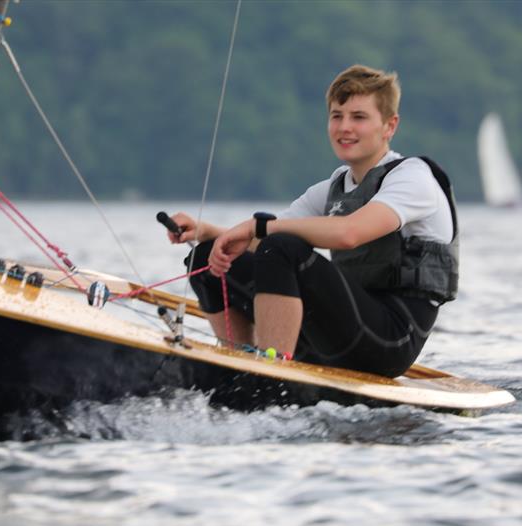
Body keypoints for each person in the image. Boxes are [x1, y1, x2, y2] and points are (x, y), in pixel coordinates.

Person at [167, 64, 458, 378]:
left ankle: (269, 377)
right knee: (209, 256)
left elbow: (349, 233)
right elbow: (262, 236)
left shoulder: (413, 177)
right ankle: (237, 363)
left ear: (389, 126)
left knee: (281, 247)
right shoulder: (334, 187)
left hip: (389, 341)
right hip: (337, 332)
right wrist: (209, 232)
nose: (345, 127)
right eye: (337, 116)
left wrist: (260, 227)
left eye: (358, 117)